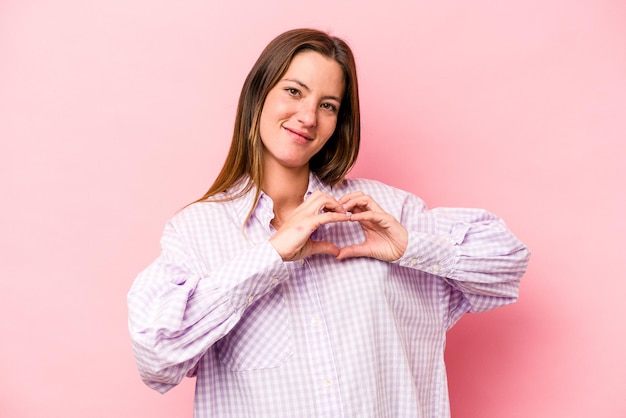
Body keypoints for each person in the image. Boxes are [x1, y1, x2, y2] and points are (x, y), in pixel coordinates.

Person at [127, 28, 530, 418]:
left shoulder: (384, 212)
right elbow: (155, 357)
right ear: (258, 95)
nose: (307, 116)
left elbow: (508, 262)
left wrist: (411, 248)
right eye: (294, 91)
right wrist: (270, 256)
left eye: (328, 105)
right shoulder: (197, 231)